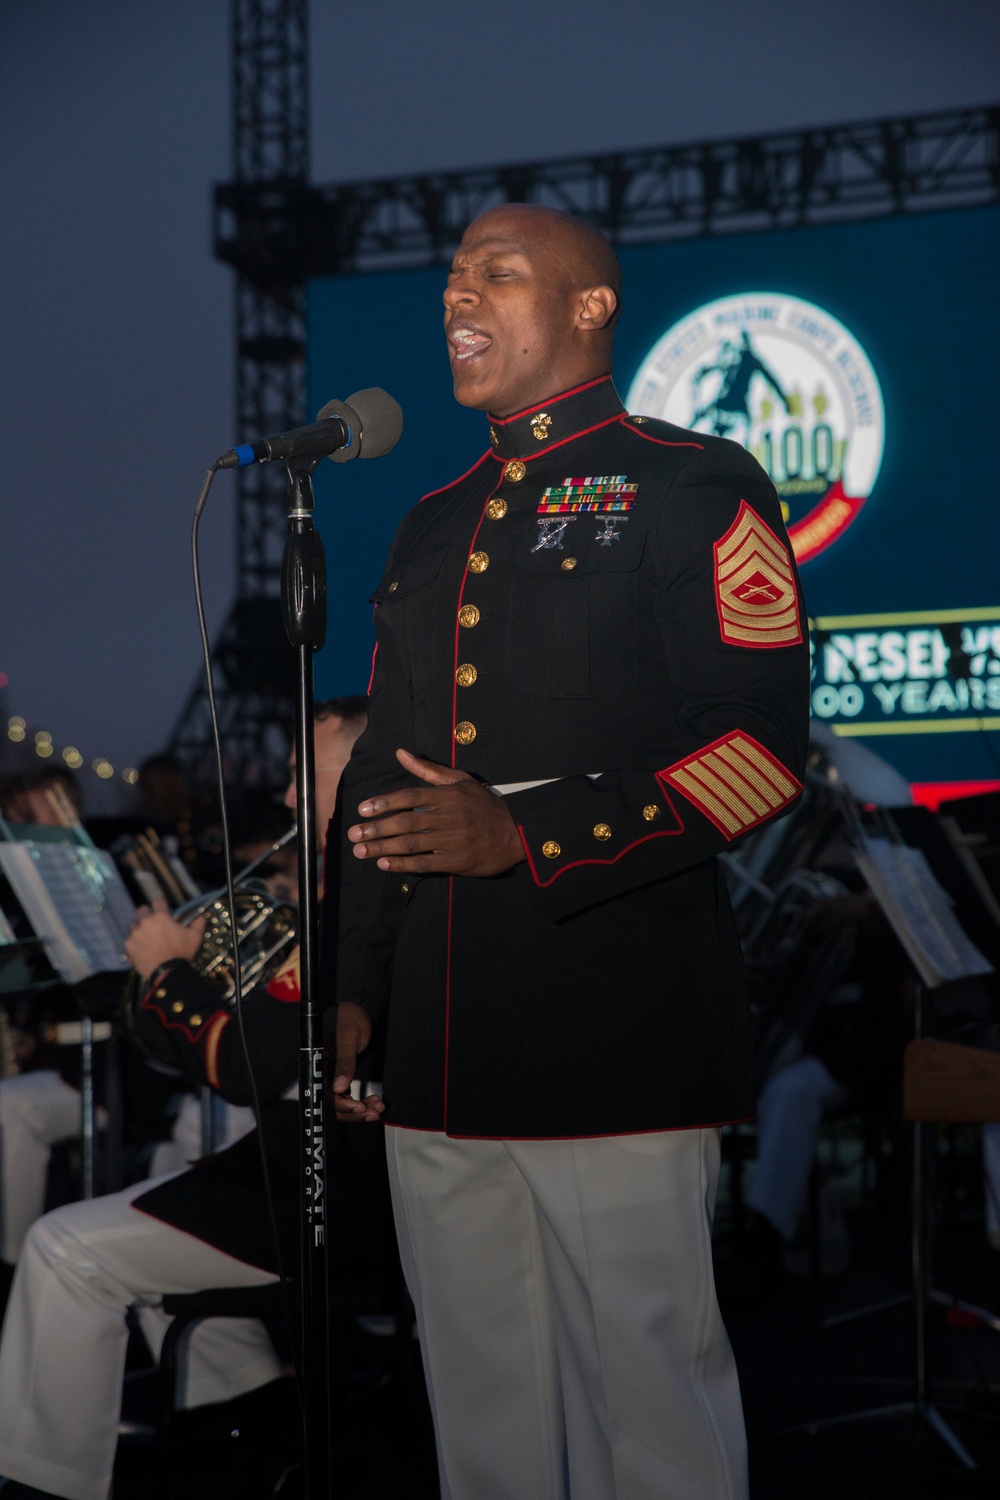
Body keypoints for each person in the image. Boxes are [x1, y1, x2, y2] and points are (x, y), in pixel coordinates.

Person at [327, 205, 810, 1499]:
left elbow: (761, 751)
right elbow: (385, 771)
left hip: (617, 1029)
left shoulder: (692, 482)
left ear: (592, 306)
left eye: (496, 271)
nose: (455, 295)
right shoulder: (433, 521)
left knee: (649, 1409)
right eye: (449, 275)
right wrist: (356, 984)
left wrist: (528, 833)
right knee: (482, 1424)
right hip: (438, 1036)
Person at [0, 698, 366, 1500]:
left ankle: (44, 1486)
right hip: (313, 1167)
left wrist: (169, 970)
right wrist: (182, 975)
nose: (292, 798)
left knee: (65, 1248)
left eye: (310, 772)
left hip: (325, 1188)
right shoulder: (348, 892)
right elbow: (217, 1054)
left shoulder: (351, 905)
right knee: (150, 1222)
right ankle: (256, 1423)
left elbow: (242, 1068)